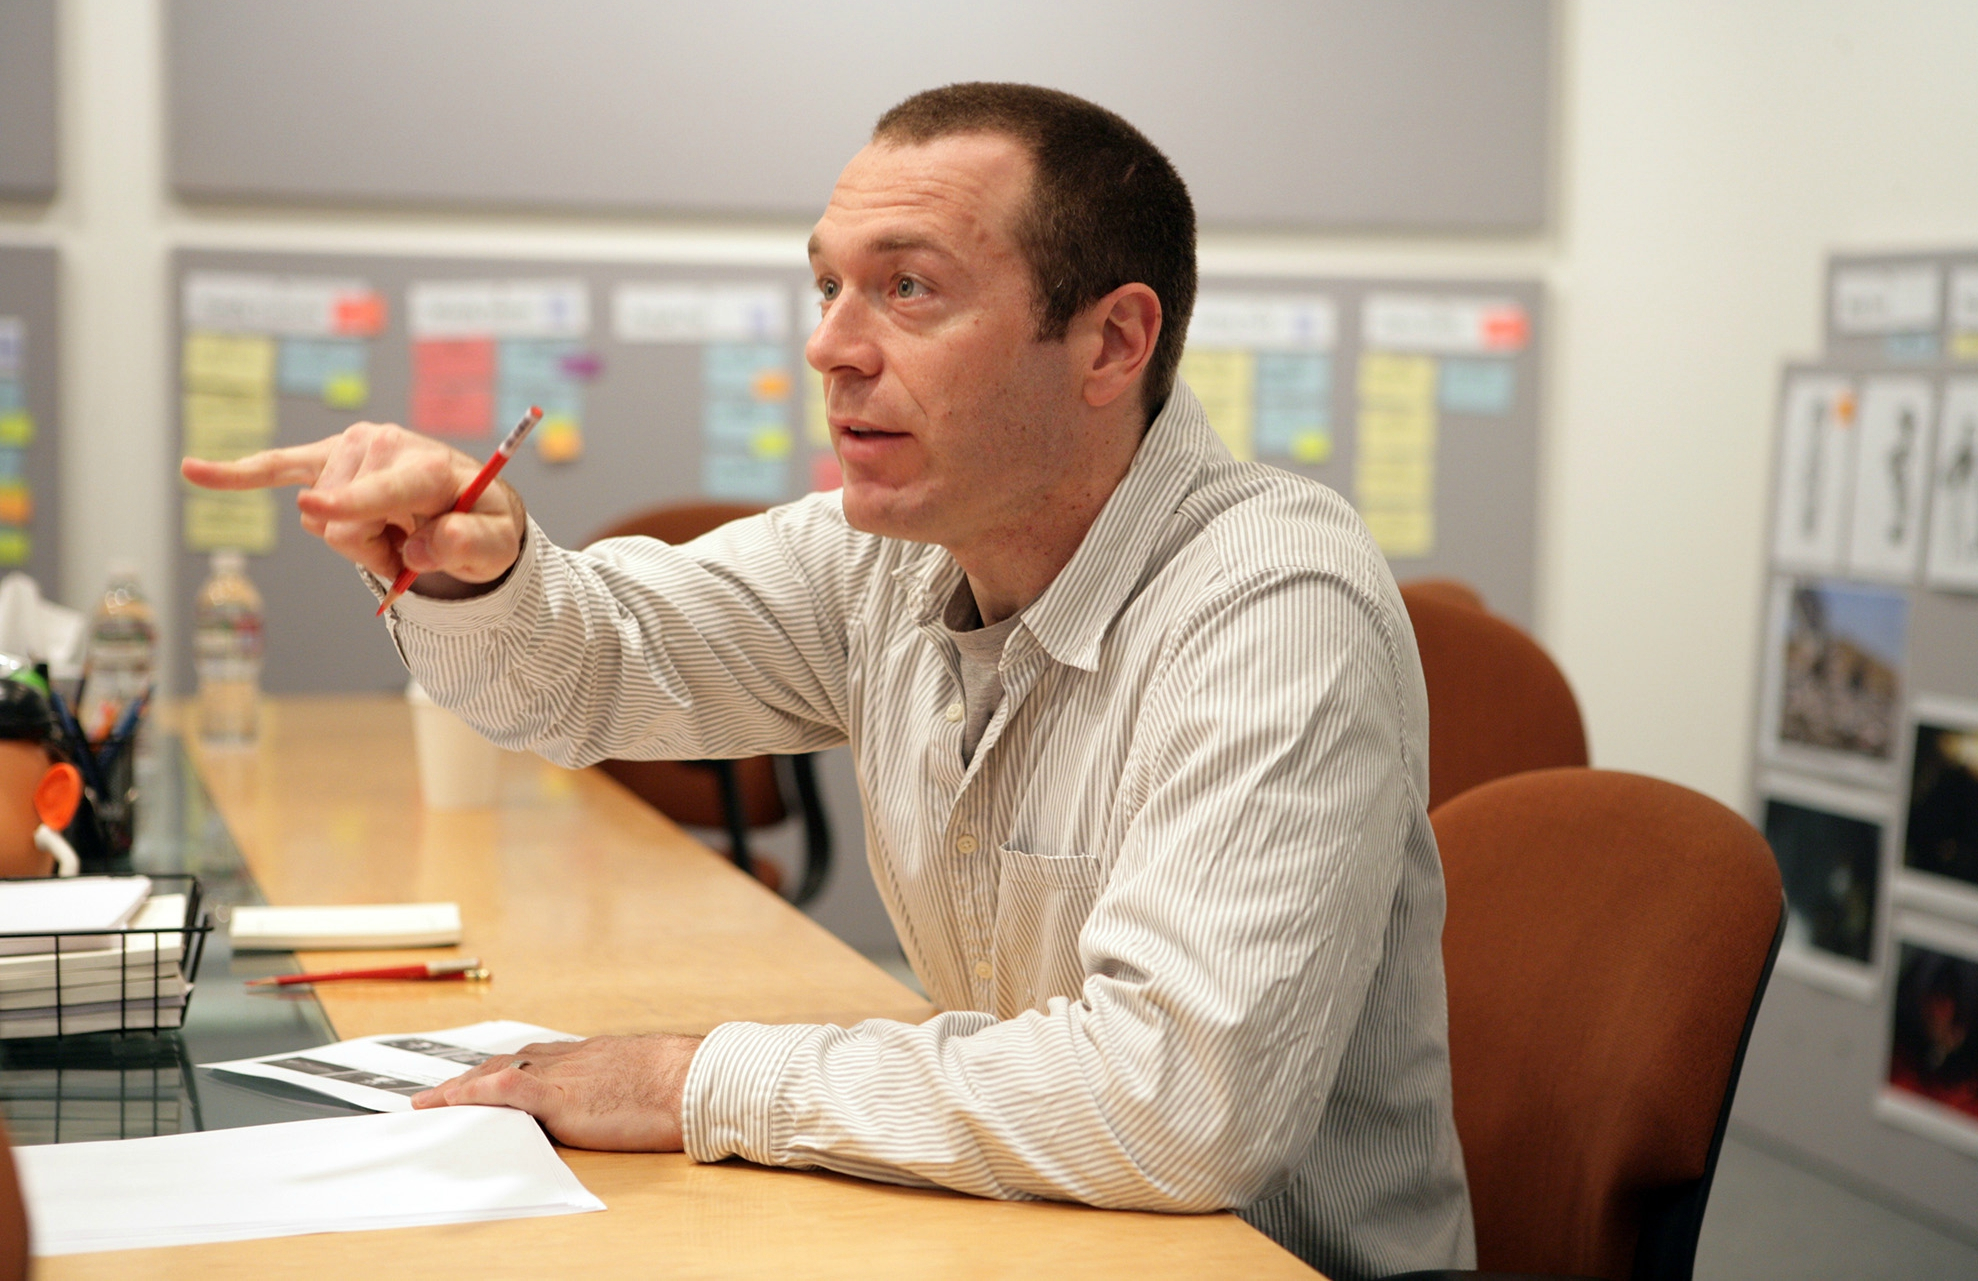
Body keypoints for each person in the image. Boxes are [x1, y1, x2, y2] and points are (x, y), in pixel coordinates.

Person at [183, 83, 1473, 1278]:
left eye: (908, 289)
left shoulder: (1270, 602)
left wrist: (698, 1081)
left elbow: (1176, 1103)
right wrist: (479, 567)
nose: (832, 350)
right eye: (826, 289)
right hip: (1042, 1234)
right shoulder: (893, 559)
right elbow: (599, 667)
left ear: (1110, 343)